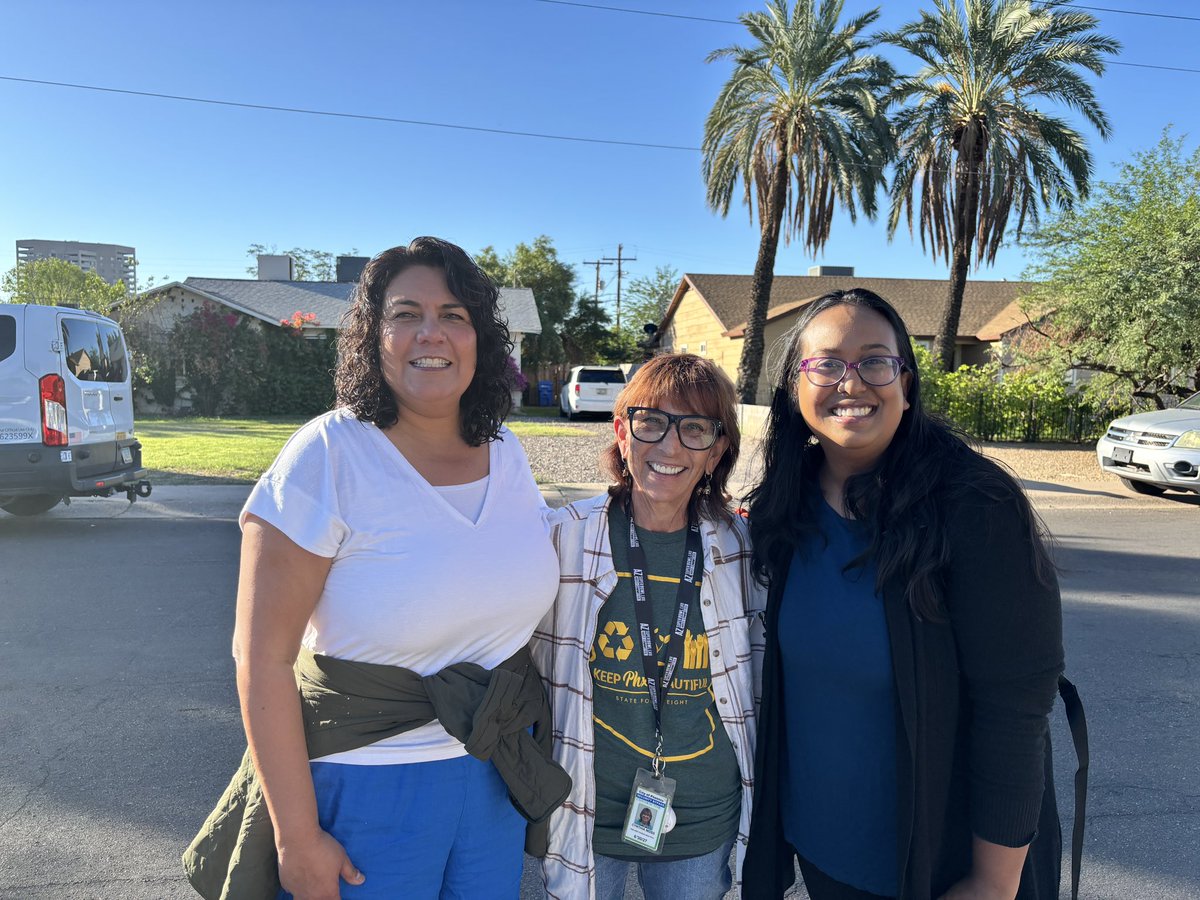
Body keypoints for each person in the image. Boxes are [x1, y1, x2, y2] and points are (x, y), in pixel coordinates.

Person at [184, 237, 566, 900]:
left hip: (492, 773)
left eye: (454, 315)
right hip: (365, 788)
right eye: (405, 313)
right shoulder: (327, 455)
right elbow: (262, 660)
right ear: (371, 335)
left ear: (479, 338)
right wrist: (296, 838)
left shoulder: (508, 455)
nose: (431, 333)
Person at [741, 289, 1066, 900]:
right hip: (821, 851)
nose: (852, 382)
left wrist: (992, 884)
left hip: (936, 866)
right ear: (793, 386)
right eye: (827, 363)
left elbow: (1016, 704)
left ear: (906, 383)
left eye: (875, 361)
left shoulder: (974, 505)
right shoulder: (785, 507)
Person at [532, 353, 767, 900]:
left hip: (702, 809)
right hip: (585, 800)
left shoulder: (740, 549)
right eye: (651, 422)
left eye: (695, 429)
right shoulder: (562, 537)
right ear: (622, 430)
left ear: (718, 451)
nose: (669, 446)